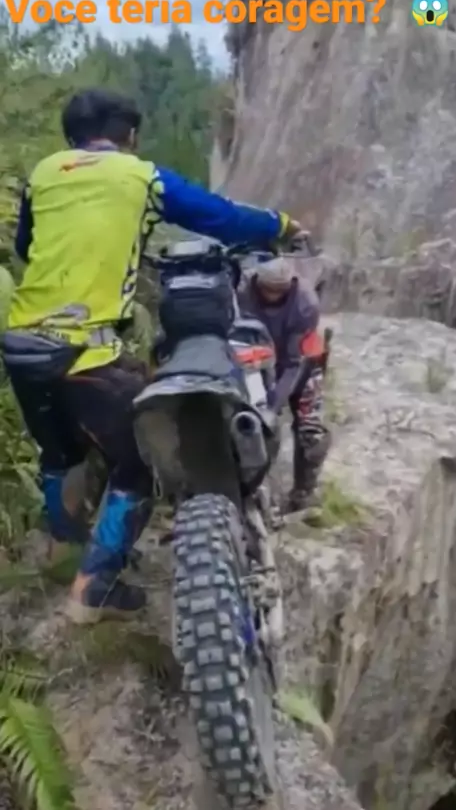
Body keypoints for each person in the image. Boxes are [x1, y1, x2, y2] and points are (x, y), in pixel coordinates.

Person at [1, 88, 308, 625]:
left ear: (71, 136)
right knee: (145, 458)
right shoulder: (140, 175)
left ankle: (64, 551)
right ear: (129, 135)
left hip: (22, 345)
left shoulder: (45, 173)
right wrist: (282, 226)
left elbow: (28, 247)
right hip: (83, 352)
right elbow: (221, 217)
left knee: (60, 454)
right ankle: (94, 589)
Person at [237, 257, 331, 512]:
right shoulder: (242, 291)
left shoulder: (305, 304)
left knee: (312, 432)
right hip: (254, 361)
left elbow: (293, 363)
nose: (272, 295)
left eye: (279, 290)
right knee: (243, 423)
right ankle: (243, 490)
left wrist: (274, 404)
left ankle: (302, 494)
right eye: (267, 289)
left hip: (302, 362)